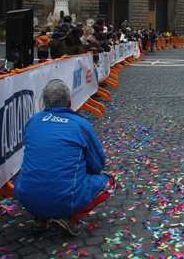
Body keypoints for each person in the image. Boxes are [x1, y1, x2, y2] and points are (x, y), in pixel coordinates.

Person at [14, 80, 114, 236]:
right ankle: (70, 218)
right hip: (68, 198)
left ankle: (40, 217)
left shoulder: (32, 121)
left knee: (30, 174)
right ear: (69, 102)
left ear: (44, 102)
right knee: (109, 183)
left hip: (28, 198)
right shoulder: (81, 125)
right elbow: (98, 164)